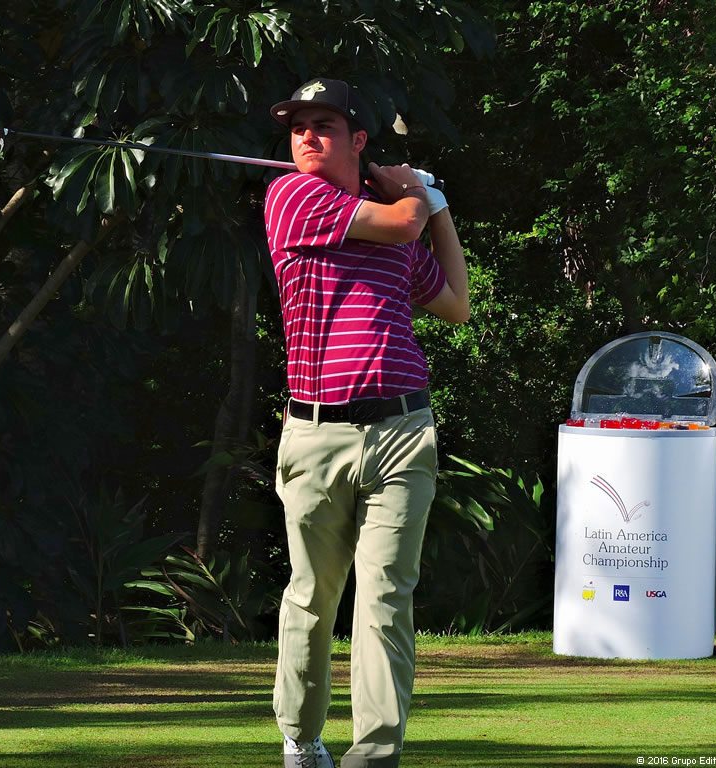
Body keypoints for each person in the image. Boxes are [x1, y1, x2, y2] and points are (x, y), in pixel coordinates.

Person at [265, 79, 470, 767]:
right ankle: (302, 741)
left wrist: (437, 207)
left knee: (385, 600)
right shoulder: (291, 197)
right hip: (317, 432)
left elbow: (456, 304)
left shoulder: (395, 228)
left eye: (323, 125)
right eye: (298, 127)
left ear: (357, 140)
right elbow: (404, 221)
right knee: (312, 596)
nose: (306, 136)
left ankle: (374, 758)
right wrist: (415, 193)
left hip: (404, 429)